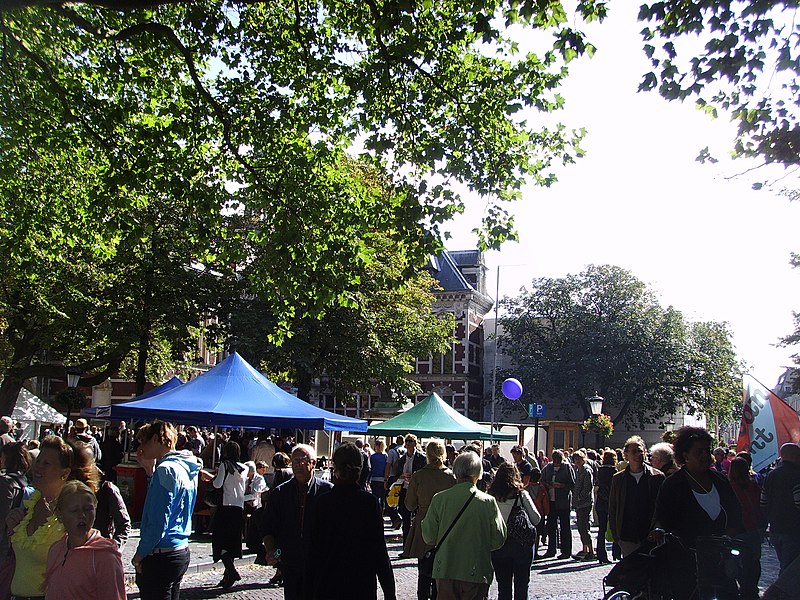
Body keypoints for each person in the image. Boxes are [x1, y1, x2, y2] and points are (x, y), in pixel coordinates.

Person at [653, 426, 743, 600]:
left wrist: (728, 536)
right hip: (687, 562)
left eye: (707, 450)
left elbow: (735, 511)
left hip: (720, 560)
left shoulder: (720, 480)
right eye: (699, 451)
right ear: (685, 455)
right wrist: (659, 531)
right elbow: (662, 517)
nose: (704, 455)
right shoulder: (673, 485)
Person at [310, 442, 396, 599]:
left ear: (334, 467)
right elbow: (379, 551)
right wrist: (390, 593)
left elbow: (313, 551)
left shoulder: (322, 503)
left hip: (328, 584)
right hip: (361, 584)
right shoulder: (369, 503)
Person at [422, 451, 506, 600]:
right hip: (475, 570)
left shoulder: (440, 499)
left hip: (446, 569)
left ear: (455, 472)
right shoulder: (488, 502)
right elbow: (498, 539)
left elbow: (429, 537)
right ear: (478, 473)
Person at [132, 421, 200, 600]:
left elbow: (158, 519)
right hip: (180, 549)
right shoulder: (186, 467)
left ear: (156, 439)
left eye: (143, 442)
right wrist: (149, 470)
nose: (141, 447)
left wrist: (139, 555)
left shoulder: (165, 470)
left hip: (161, 553)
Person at [261, 444, 333, 600]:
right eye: (295, 461)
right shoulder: (280, 493)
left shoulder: (328, 492)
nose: (299, 464)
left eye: (303, 460)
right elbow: (268, 527)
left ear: (313, 463)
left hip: (319, 566)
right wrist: (271, 549)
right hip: (291, 564)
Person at [8, 435, 72, 598]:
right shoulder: (30, 503)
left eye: (47, 464)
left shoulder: (70, 510)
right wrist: (11, 529)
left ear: (64, 473)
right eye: (38, 461)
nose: (38, 467)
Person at [44, 480, 126, 599]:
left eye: (88, 509)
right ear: (60, 515)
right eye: (74, 510)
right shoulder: (55, 550)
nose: (82, 515)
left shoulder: (105, 556)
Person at [404, 440, 457, 600]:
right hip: (445, 525)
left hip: (424, 523)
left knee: (423, 572)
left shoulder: (419, 476)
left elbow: (409, 505)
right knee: (440, 573)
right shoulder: (451, 476)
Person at [488, 462, 540, 600]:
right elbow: (536, 519)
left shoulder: (491, 496)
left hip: (499, 545)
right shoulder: (521, 495)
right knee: (522, 586)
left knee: (503, 587)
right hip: (521, 545)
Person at [608, 435, 665, 557]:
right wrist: (616, 535)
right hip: (627, 535)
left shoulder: (657, 477)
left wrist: (658, 527)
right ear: (626, 455)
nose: (638, 454)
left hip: (650, 535)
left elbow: (663, 506)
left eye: (640, 451)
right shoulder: (618, 479)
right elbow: (613, 507)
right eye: (634, 451)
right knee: (631, 572)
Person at [203, 441, 248, 588]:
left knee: (220, 540)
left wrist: (211, 477)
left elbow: (217, 484)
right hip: (239, 507)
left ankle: (231, 571)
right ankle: (228, 576)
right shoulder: (245, 468)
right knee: (232, 542)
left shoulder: (225, 465)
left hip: (226, 506)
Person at [760, 442, 800, 574]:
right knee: (789, 569)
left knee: (784, 564)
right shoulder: (796, 476)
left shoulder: (771, 475)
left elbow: (763, 503)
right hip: (793, 529)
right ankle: (783, 594)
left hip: (776, 528)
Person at [729, 456, 763, 599]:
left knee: (736, 564)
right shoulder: (753, 484)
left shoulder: (730, 486)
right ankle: (751, 590)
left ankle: (743, 589)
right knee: (753, 562)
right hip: (753, 528)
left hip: (738, 530)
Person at [0, 441, 30, 597]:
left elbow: (2, 516)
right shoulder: (26, 481)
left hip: (4, 546)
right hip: (15, 546)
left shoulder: (5, 483)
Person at [540, 449, 575, 559]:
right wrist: (548, 484)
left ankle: (566, 551)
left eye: (558, 461)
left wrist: (562, 486)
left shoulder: (566, 467)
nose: (556, 463)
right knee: (551, 526)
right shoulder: (548, 468)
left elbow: (572, 483)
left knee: (565, 526)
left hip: (563, 501)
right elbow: (542, 481)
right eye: (555, 461)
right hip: (551, 501)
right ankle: (551, 550)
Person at [396, 434, 426, 548]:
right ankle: (406, 547)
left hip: (417, 491)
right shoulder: (402, 458)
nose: (408, 443)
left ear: (415, 443)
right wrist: (401, 476)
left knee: (418, 519)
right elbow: (396, 473)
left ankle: (418, 545)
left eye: (410, 441)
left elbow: (424, 474)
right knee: (406, 519)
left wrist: (414, 477)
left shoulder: (421, 457)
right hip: (405, 490)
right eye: (406, 441)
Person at [571, 449, 595, 561]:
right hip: (579, 503)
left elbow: (588, 487)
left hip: (585, 503)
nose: (577, 461)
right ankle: (584, 549)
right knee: (581, 527)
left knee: (584, 527)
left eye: (579, 459)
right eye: (575, 459)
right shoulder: (578, 470)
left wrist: (580, 497)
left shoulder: (586, 470)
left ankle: (591, 551)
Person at [594, 449, 616, 564]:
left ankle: (601, 554)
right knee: (615, 526)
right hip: (611, 502)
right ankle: (616, 552)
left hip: (601, 502)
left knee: (601, 530)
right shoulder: (614, 471)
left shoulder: (600, 470)